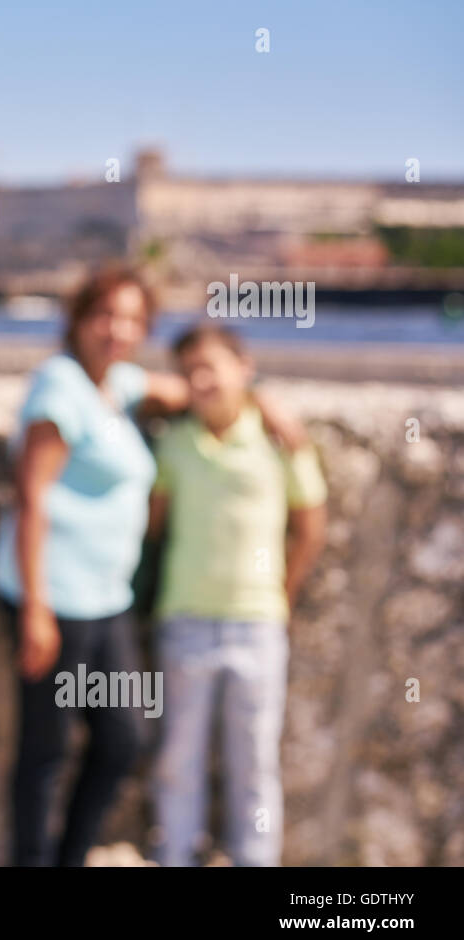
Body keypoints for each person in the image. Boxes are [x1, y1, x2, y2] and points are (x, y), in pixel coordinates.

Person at [0, 266, 190, 866]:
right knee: (46, 750)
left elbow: (177, 390)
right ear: (78, 321)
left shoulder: (115, 384)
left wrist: (254, 400)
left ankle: (69, 858)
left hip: (109, 599)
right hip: (55, 597)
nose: (118, 329)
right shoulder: (60, 386)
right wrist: (37, 612)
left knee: (124, 739)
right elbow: (31, 501)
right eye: (105, 315)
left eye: (132, 319)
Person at [147, 324, 327, 866]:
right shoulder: (175, 443)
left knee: (254, 762)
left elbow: (311, 528)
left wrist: (282, 594)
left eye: (213, 366)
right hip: (185, 621)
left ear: (244, 367)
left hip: (257, 623)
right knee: (179, 758)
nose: (202, 379)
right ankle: (175, 854)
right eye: (190, 370)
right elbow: (157, 524)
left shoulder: (279, 442)